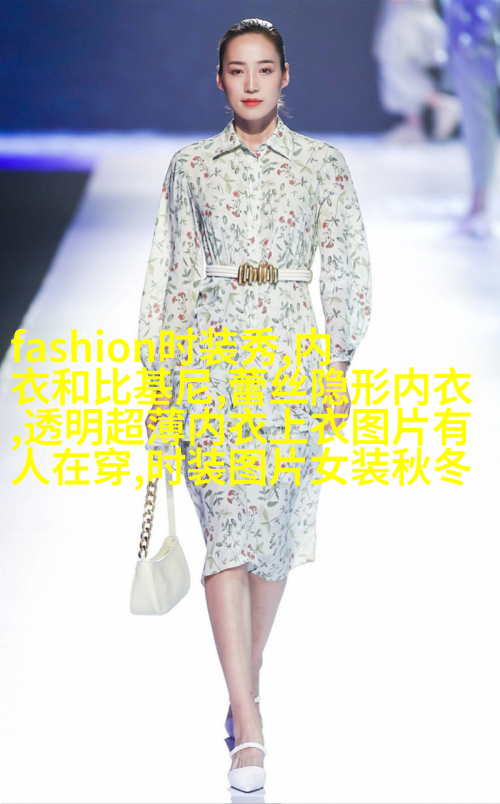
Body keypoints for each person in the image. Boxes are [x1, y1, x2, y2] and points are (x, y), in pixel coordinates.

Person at [137, 18, 372, 794]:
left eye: (263, 69)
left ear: (285, 76)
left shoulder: (322, 166)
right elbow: (170, 272)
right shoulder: (191, 167)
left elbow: (347, 266)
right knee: (227, 539)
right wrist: (160, 380)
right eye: (236, 70)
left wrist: (337, 361)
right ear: (219, 80)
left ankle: (246, 686)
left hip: (291, 365)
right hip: (209, 364)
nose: (250, 83)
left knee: (272, 544)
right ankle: (250, 724)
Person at [442, 0, 500, 237]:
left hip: (478, 50)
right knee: (477, 128)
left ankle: (479, 206)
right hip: (474, 48)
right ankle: (478, 204)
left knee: (479, 129)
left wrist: (470, 40)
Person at [373, 0, 461, 142]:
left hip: (408, 21)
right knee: (403, 70)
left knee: (401, 72)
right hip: (407, 18)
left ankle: (442, 104)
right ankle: (414, 126)